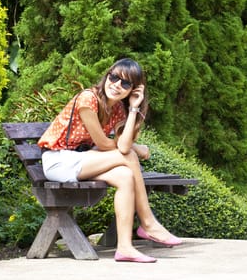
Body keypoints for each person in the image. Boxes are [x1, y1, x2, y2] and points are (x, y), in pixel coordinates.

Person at [38, 58, 182, 263]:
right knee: (131, 156)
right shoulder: (88, 99)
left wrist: (133, 109)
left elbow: (122, 145)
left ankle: (125, 248)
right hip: (58, 161)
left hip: (82, 160)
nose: (116, 85)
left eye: (125, 84)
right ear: (107, 76)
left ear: (133, 90)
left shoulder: (118, 110)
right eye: (114, 77)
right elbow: (105, 144)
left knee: (125, 176)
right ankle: (148, 222)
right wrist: (136, 149)